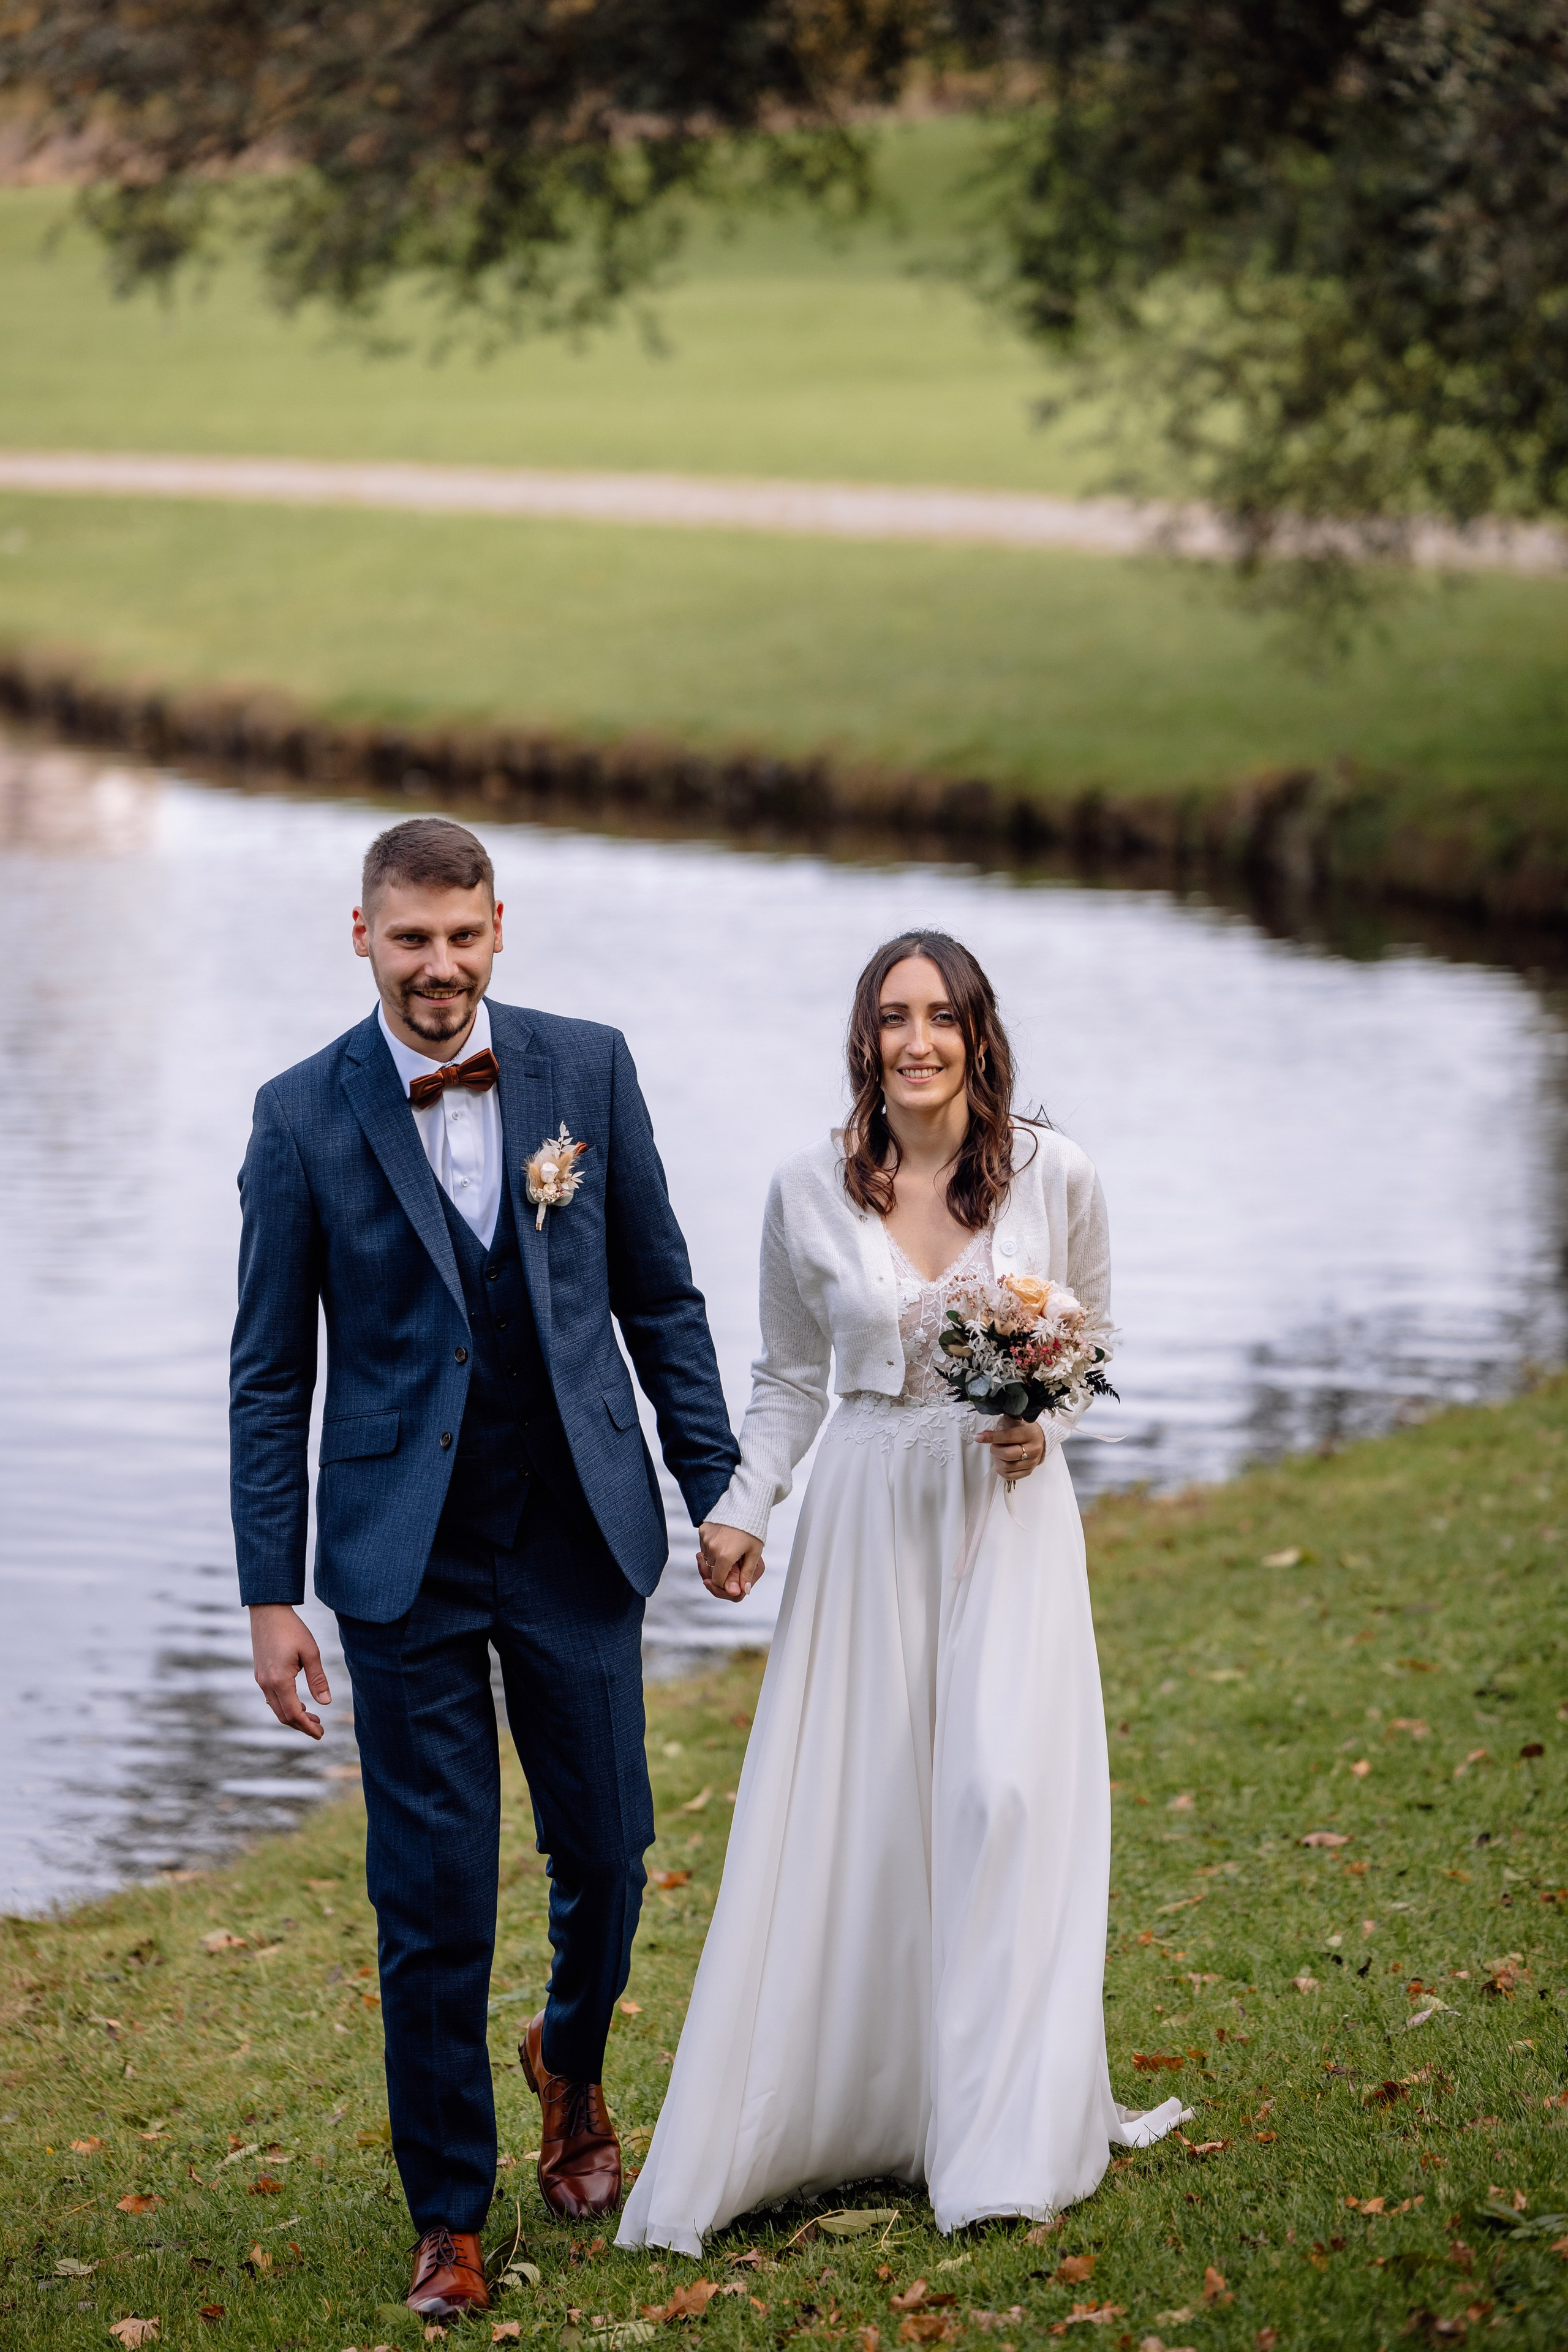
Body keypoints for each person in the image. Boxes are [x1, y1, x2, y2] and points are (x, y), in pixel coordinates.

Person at [230, 816, 741, 2319]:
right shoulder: (298, 1116)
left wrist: (715, 1483)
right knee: (433, 1894)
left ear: (498, 929)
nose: (438, 966)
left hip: (579, 1531)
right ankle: (447, 2214)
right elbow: (271, 1377)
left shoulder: (586, 1068)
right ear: (362, 936)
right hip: (403, 1563)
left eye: (462, 937)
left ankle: (568, 2069)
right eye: (410, 940)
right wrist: (273, 1592)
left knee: (606, 1851)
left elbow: (660, 1295)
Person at [618, 930, 1183, 2256]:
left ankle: (997, 2140)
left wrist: (1047, 1427)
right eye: (891, 1019)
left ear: (978, 1032)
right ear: (864, 1039)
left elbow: (1093, 1345)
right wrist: (742, 1509)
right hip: (867, 1514)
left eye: (939, 1017)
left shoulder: (1056, 1173)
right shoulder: (805, 1186)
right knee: (866, 1812)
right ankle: (864, 2108)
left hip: (1003, 1512)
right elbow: (783, 1379)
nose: (915, 1042)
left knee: (1002, 1795)